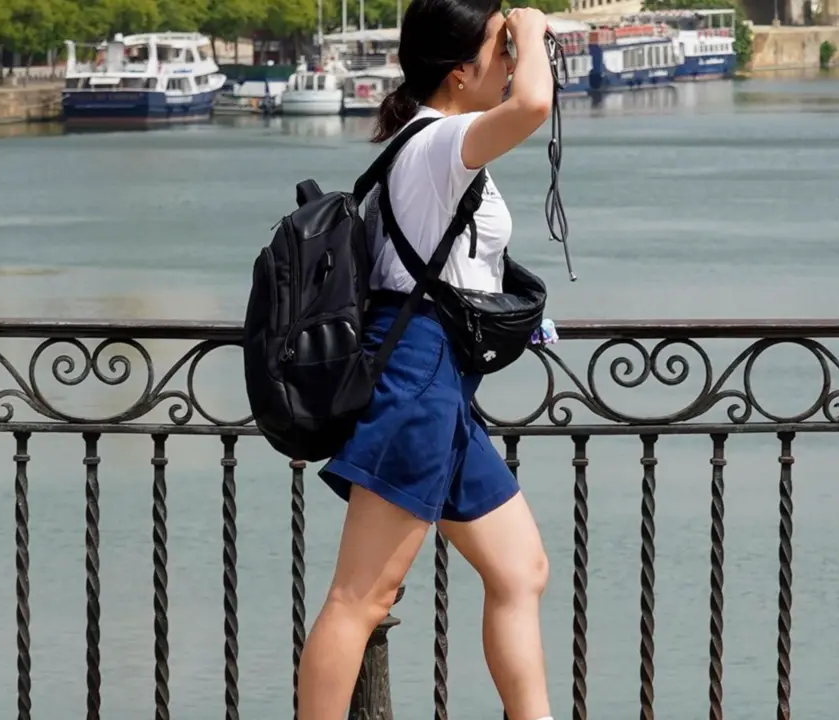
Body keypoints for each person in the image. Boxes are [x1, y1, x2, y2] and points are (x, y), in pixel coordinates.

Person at [294, 2, 556, 719]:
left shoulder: (431, 139)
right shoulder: (441, 141)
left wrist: (514, 35)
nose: (509, 61)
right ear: (460, 70)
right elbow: (534, 101)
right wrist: (530, 29)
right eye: (498, 49)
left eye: (512, 47)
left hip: (439, 379)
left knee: (521, 568)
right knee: (360, 596)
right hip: (416, 377)